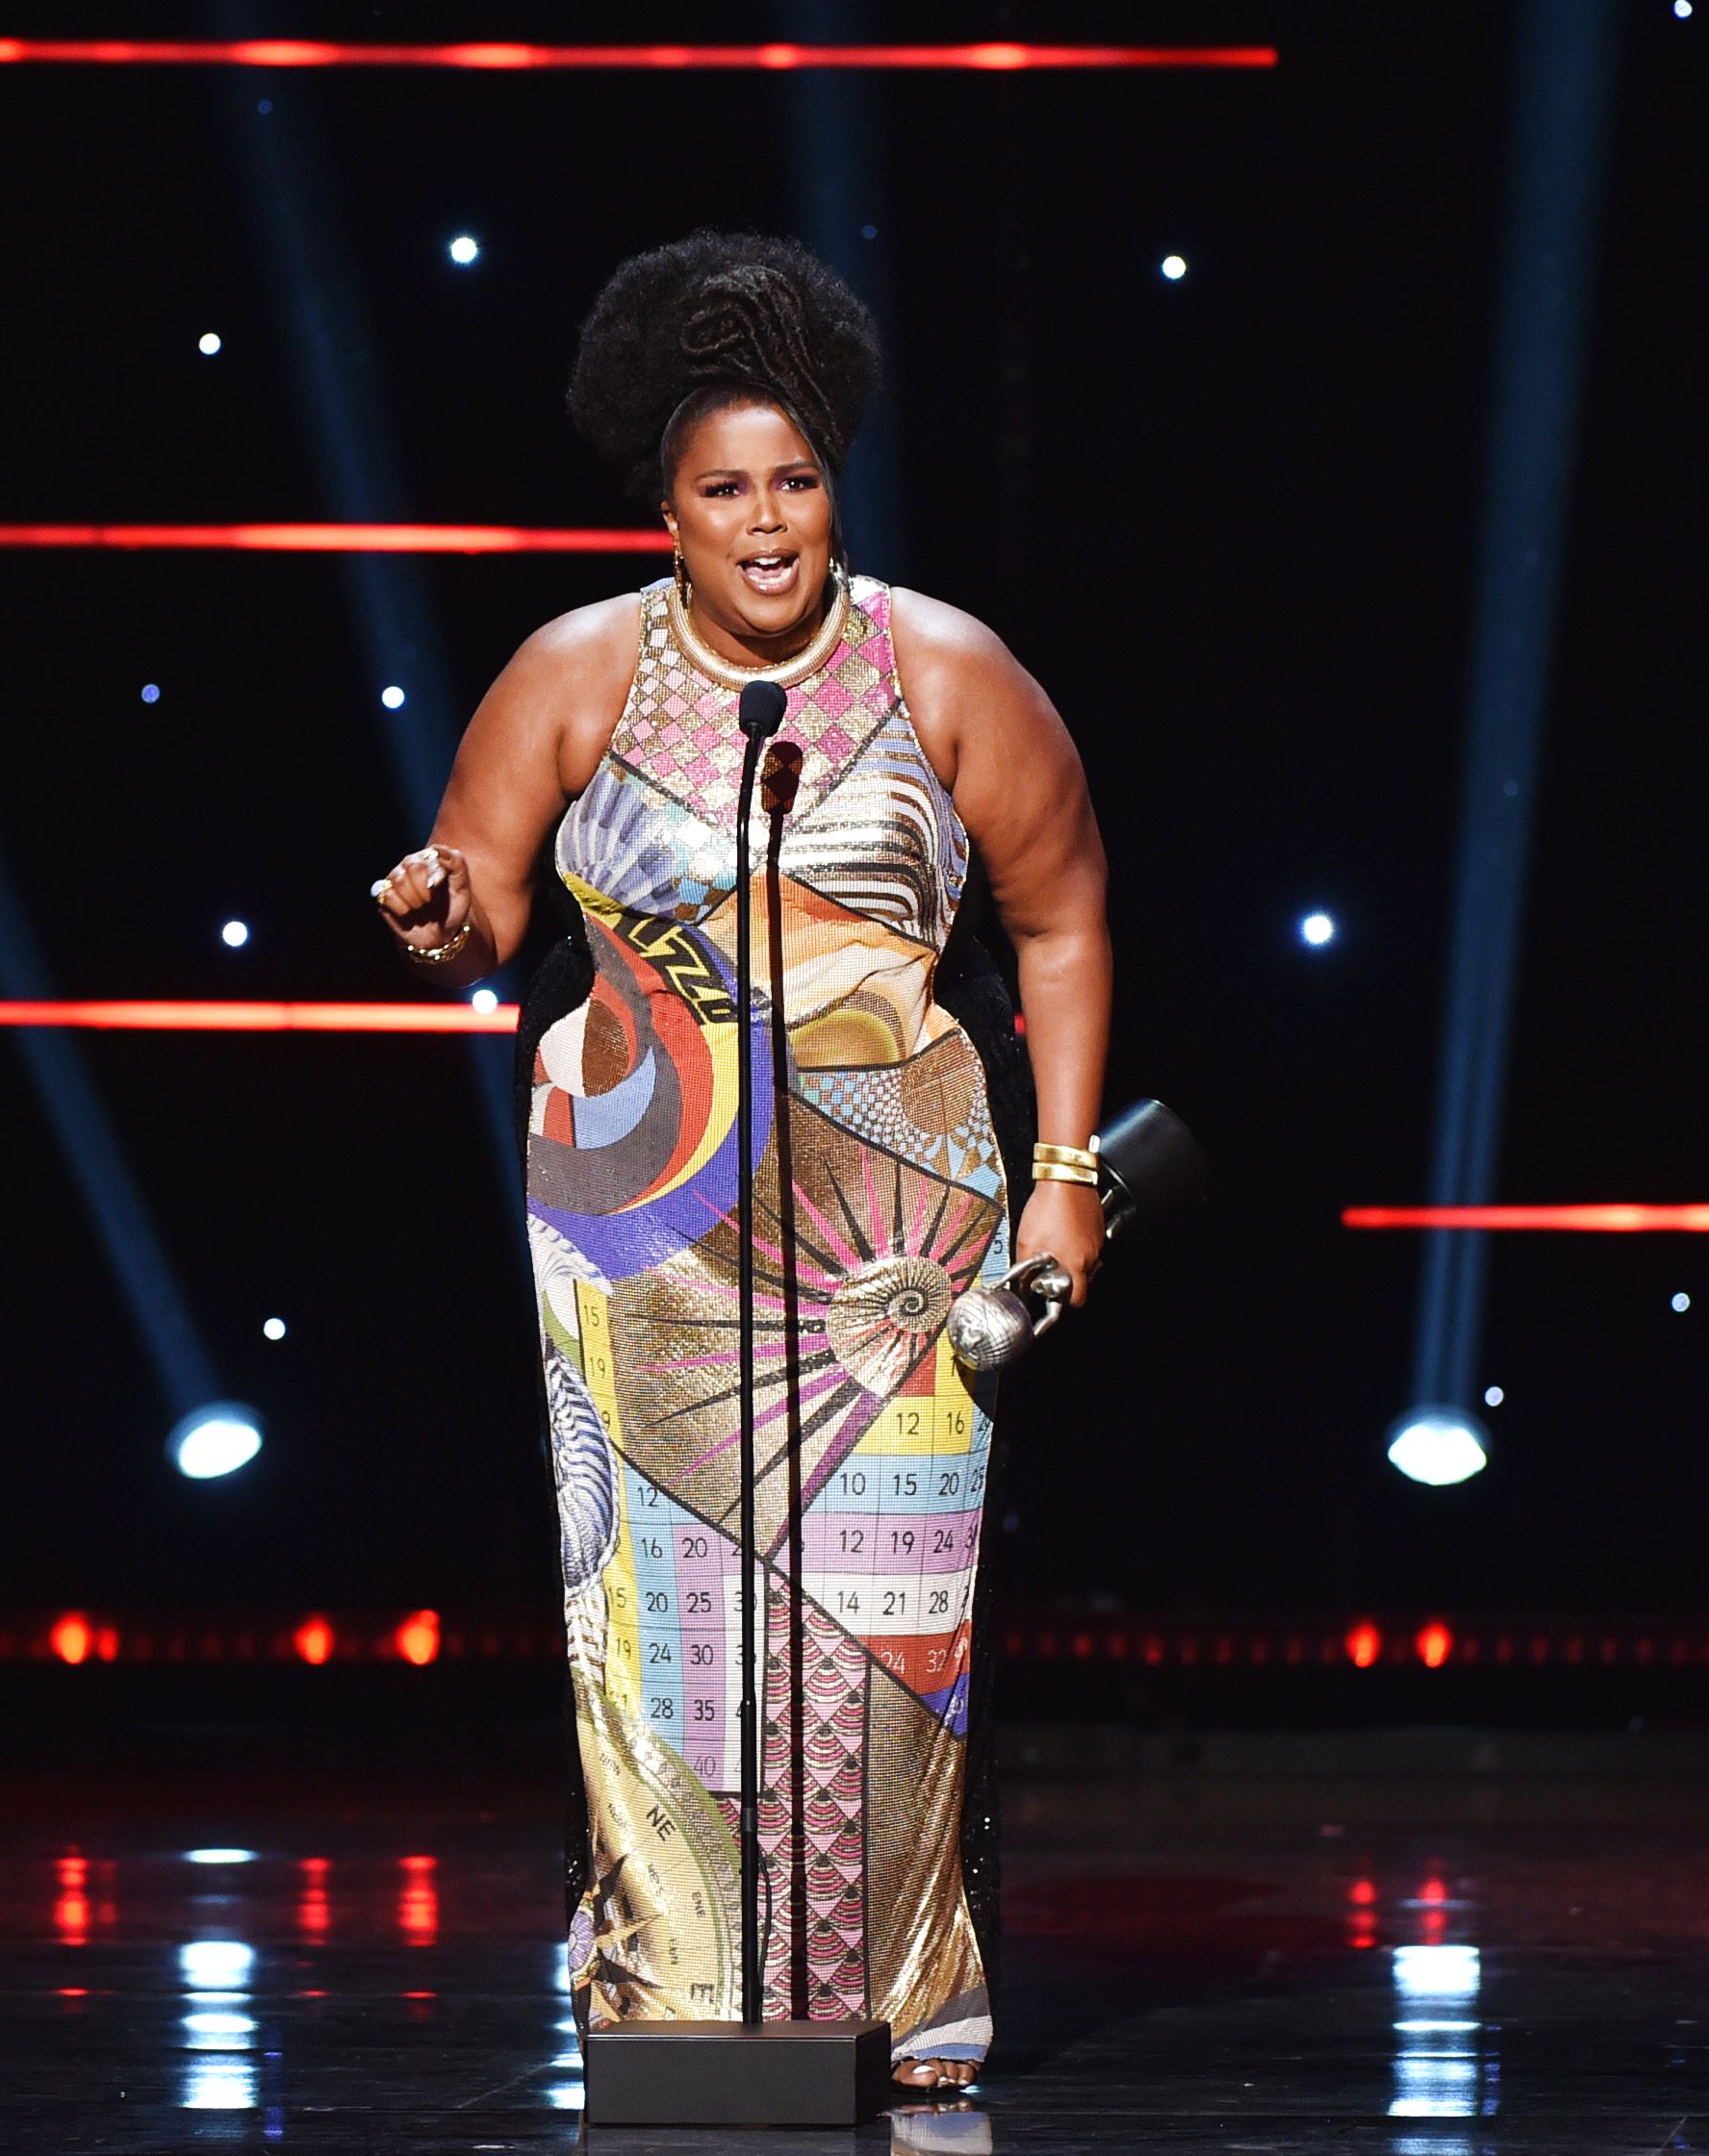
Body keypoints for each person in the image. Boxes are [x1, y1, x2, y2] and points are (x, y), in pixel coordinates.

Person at [373, 232, 1111, 2092]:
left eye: (796, 480)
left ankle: (901, 2002)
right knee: (662, 1621)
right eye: (727, 489)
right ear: (668, 505)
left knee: (884, 1619)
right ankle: (677, 1996)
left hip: (897, 1225)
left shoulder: (939, 666)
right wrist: (440, 915)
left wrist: (1071, 1167)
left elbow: (1065, 914)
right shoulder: (574, 671)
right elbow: (478, 905)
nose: (769, 521)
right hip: (646, 1220)